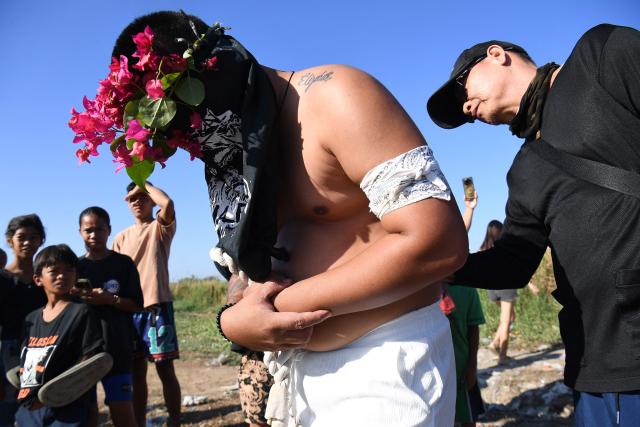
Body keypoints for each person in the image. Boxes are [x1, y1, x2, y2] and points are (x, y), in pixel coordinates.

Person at [106, 11, 468, 427]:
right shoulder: (231, 151)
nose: (196, 135)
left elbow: (440, 243)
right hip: (294, 378)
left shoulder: (337, 96)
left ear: (212, 66)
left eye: (190, 114)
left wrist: (278, 307)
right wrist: (231, 320)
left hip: (385, 364)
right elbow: (244, 271)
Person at [427, 24, 640, 426]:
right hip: (594, 361)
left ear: (496, 54)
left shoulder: (600, 55)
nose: (465, 108)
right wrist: (442, 267)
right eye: (461, 112)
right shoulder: (525, 170)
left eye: (461, 90)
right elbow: (513, 263)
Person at [112, 182, 181, 427]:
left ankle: (175, 422)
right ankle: (138, 423)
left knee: (165, 371)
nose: (138, 202)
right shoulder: (120, 238)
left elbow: (168, 203)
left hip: (156, 307)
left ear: (151, 201)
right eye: (132, 199)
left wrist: (143, 180)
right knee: (136, 373)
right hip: (130, 310)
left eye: (143, 197)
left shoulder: (159, 229)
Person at [14, 244, 104, 427]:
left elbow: (90, 361)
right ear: (38, 279)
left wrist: (55, 392)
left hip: (67, 409)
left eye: (69, 270)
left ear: (76, 275)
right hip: (30, 409)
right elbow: (25, 363)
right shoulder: (31, 319)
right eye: (54, 271)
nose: (62, 275)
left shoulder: (81, 312)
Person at [76, 207, 143, 426]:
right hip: (84, 350)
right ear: (80, 232)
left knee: (122, 409)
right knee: (88, 410)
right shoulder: (75, 268)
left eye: (99, 229)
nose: (94, 235)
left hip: (117, 346)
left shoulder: (123, 264)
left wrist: (110, 299)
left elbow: (135, 305)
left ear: (109, 231)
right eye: (88, 230)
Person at [0, 214, 47, 426]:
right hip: (7, 355)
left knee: (38, 412)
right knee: (6, 412)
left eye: (34, 237)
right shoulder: (2, 278)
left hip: (42, 350)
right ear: (10, 240)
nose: (28, 242)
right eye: (22, 237)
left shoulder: (47, 279)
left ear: (41, 241)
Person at [463, 193, 516, 364]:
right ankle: (501, 355)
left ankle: (494, 343)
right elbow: (514, 267)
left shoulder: (482, 248)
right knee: (506, 320)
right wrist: (530, 285)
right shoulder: (503, 248)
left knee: (509, 317)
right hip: (506, 287)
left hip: (492, 290)